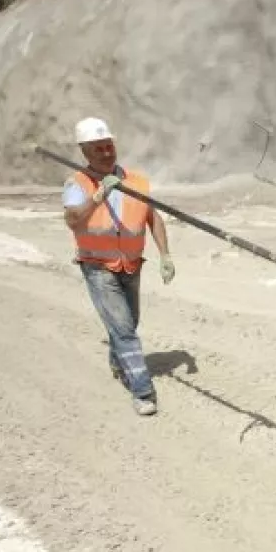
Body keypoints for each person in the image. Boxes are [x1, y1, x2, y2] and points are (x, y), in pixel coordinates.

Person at [63, 116, 176, 416]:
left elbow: (153, 218)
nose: (105, 152)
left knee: (129, 322)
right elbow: (73, 219)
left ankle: (119, 360)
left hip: (131, 264)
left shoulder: (136, 181)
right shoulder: (77, 184)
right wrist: (99, 196)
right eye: (98, 148)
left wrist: (165, 255)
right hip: (98, 266)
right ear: (85, 152)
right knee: (125, 330)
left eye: (108, 145)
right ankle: (142, 391)